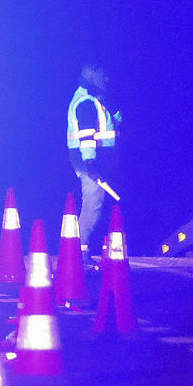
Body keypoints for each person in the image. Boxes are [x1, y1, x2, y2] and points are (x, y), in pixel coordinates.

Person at [67, 66, 121, 257]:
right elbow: (87, 137)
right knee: (92, 205)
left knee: (95, 204)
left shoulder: (94, 101)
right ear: (92, 78)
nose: (107, 79)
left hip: (96, 163)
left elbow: (113, 122)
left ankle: (81, 250)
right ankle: (78, 252)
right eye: (102, 75)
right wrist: (91, 164)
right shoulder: (86, 103)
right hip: (91, 165)